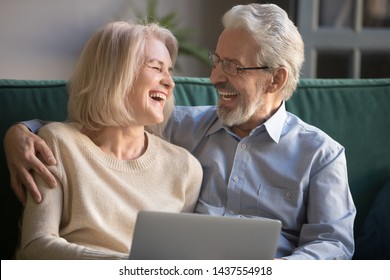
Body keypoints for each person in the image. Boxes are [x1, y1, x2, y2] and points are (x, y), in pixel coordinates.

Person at [4, 3, 356, 259]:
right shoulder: (177, 125)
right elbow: (104, 118)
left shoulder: (321, 155)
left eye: (232, 66)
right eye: (216, 61)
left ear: (275, 78)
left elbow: (334, 244)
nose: (215, 77)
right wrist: (19, 132)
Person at [12, 21, 203, 259]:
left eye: (169, 71)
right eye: (156, 67)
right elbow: (36, 246)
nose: (169, 82)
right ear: (114, 74)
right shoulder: (57, 143)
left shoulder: (185, 168)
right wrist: (130, 267)